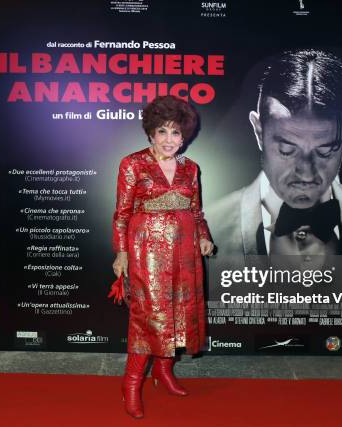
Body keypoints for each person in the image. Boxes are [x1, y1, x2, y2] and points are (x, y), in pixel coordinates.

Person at [207, 49, 342, 269]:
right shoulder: (209, 228)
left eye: (324, 151)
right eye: (286, 149)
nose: (306, 172)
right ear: (258, 131)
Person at [111, 95, 214, 419]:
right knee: (149, 318)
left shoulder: (191, 168)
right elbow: (121, 215)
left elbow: (196, 212)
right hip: (147, 253)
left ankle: (165, 372)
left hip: (184, 251)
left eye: (176, 133)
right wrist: (122, 254)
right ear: (151, 134)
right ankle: (131, 384)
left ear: (185, 136)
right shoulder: (133, 164)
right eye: (163, 132)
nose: (170, 140)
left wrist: (204, 238)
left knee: (180, 313)